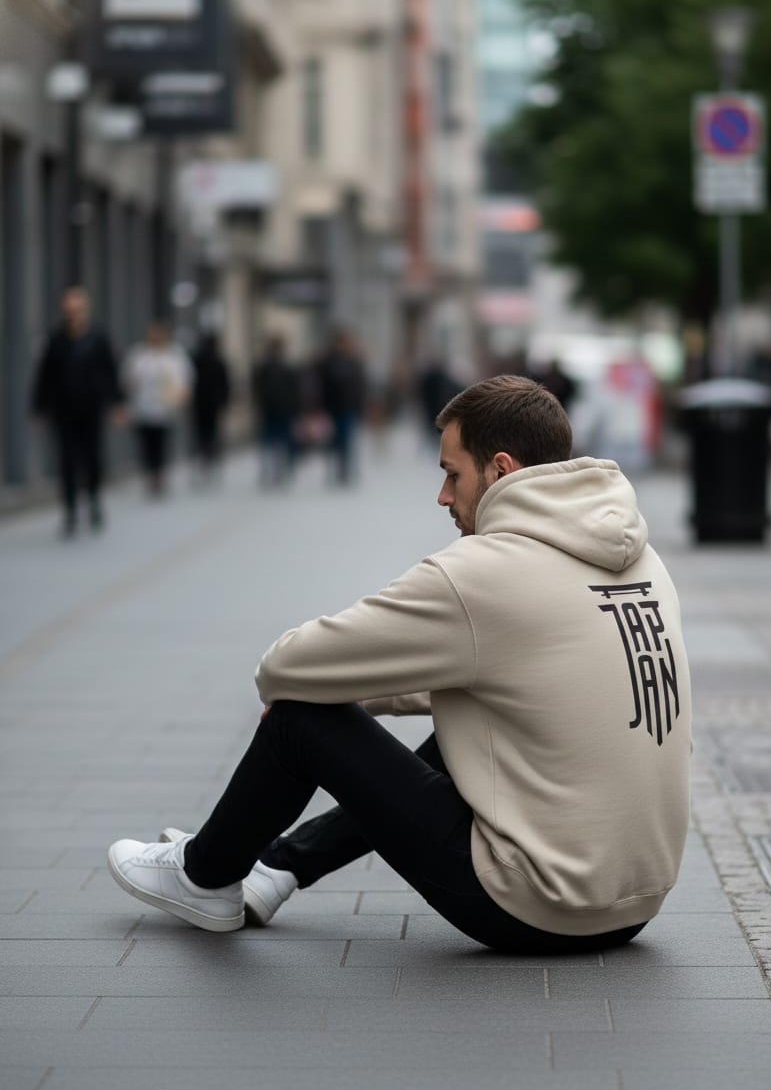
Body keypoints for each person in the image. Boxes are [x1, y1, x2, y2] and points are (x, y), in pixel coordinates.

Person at [108, 375, 692, 954]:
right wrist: (361, 695)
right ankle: (278, 866)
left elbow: (285, 666)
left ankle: (204, 876)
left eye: (452, 474)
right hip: (632, 902)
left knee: (297, 720)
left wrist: (323, 696)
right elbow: (531, 678)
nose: (442, 496)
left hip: (536, 906)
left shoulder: (482, 573)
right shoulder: (641, 560)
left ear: (501, 470)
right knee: (476, 718)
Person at [31, 286, 124, 536]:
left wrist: (117, 403)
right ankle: (70, 510)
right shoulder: (55, 340)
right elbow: (45, 376)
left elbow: (110, 371)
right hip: (64, 409)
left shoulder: (98, 338)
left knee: (93, 456)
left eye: (77, 309)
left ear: (85, 310)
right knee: (67, 459)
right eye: (69, 310)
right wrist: (39, 407)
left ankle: (93, 499)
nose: (73, 315)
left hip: (91, 407)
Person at [122, 321, 193, 497]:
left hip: (165, 410)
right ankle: (150, 473)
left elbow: (185, 379)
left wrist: (181, 394)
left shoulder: (173, 355)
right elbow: (128, 378)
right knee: (147, 444)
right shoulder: (139, 355)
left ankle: (160, 474)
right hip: (143, 409)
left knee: (162, 444)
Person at [315, 326, 368, 484]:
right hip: (331, 408)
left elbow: (359, 385)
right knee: (333, 441)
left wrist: (359, 405)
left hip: (348, 407)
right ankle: (334, 470)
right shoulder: (327, 362)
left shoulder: (353, 362)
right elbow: (320, 385)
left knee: (347, 440)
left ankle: (345, 470)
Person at [251, 334, 301, 486]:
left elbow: (257, 390)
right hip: (281, 410)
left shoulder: (264, 367)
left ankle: (271, 470)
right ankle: (281, 469)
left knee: (270, 441)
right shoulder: (286, 367)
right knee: (282, 441)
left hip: (272, 409)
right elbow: (295, 390)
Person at [190, 333, 231, 480]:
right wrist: (224, 402)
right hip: (213, 403)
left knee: (201, 432)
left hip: (200, 402)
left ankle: (204, 458)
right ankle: (211, 458)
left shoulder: (197, 359)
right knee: (212, 432)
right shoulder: (218, 360)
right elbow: (225, 384)